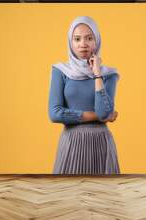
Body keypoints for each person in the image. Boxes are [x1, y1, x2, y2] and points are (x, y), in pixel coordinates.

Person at [48, 16, 120, 175]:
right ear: (70, 42)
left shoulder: (109, 74)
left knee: (102, 197)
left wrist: (97, 74)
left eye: (89, 38)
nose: (83, 44)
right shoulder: (60, 71)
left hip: (101, 144)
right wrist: (99, 116)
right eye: (77, 39)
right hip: (71, 143)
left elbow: (104, 112)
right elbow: (55, 114)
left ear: (97, 40)